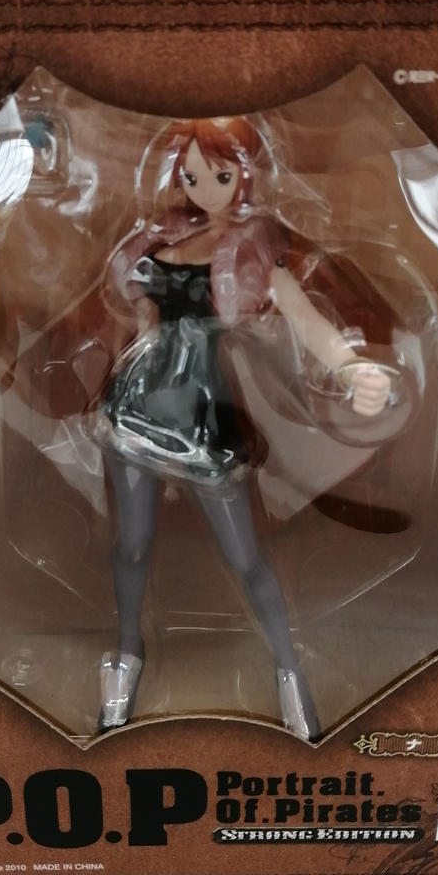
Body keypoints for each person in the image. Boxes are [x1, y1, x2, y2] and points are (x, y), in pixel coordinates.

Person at [96, 117, 392, 739]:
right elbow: (140, 321)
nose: (205, 188)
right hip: (137, 408)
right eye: (192, 176)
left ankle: (288, 669)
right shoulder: (162, 238)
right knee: (131, 545)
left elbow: (305, 317)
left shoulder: (252, 251)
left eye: (221, 175)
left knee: (247, 557)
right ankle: (126, 653)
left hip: (205, 418)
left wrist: (352, 367)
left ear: (246, 176)